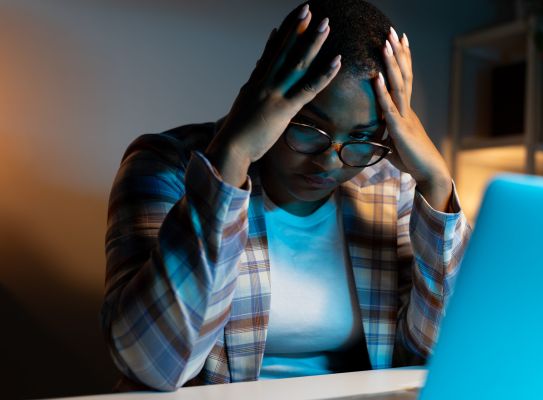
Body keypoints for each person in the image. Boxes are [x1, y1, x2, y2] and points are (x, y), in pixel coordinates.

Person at [101, 0, 471, 392]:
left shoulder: (390, 186)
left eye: (362, 137)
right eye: (310, 128)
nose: (329, 161)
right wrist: (231, 159)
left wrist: (436, 183)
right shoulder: (164, 164)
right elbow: (152, 366)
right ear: (266, 95)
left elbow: (435, 358)